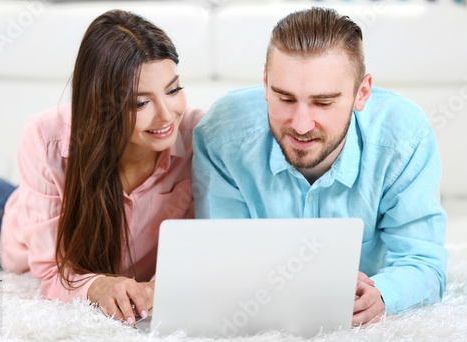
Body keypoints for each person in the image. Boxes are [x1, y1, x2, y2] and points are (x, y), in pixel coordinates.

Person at [192, 7, 448, 326]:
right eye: (284, 98)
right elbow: (223, 259)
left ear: (362, 93)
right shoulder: (222, 135)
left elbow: (423, 261)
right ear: (265, 82)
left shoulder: (405, 137)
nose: (301, 126)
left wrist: (382, 293)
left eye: (323, 103)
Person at [0, 10, 204, 325]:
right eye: (140, 103)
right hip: (7, 224)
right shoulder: (45, 138)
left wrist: (159, 287)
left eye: (173, 90)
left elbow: (203, 248)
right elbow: (49, 271)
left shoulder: (201, 137)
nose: (167, 115)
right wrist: (97, 285)